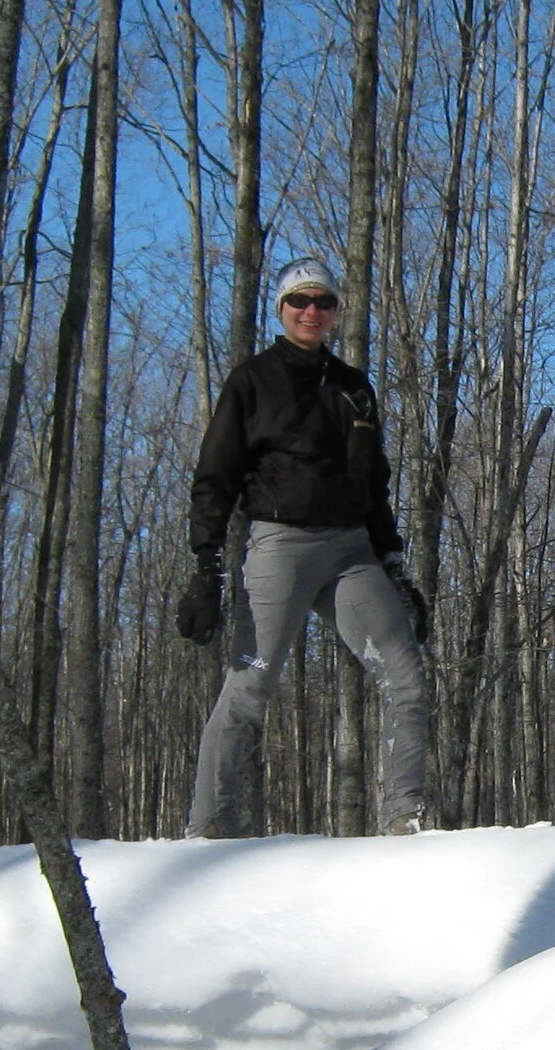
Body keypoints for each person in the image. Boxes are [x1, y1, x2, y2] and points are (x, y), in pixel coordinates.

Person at [178, 256, 433, 836]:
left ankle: (405, 819)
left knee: (404, 672)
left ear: (336, 312)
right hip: (280, 546)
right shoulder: (253, 380)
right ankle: (207, 829)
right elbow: (215, 475)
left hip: (351, 550)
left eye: (323, 302)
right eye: (300, 302)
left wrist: (394, 567)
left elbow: (374, 485)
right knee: (252, 681)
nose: (311, 312)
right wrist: (206, 567)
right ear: (281, 309)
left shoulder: (353, 388)